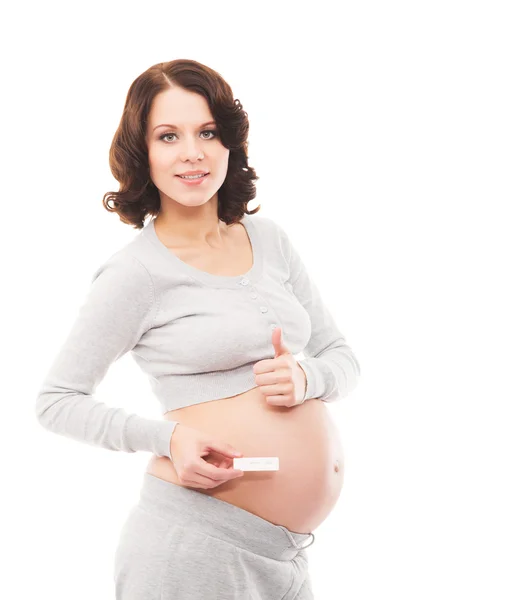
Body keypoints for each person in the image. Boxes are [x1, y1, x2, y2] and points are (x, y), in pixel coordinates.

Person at [35, 58, 361, 600]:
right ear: (144, 155)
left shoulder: (270, 239)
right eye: (169, 136)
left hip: (289, 557)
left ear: (229, 141)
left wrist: (309, 379)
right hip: (193, 549)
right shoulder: (134, 272)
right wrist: (168, 439)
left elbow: (341, 356)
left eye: (207, 131)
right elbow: (56, 401)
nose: (193, 152)